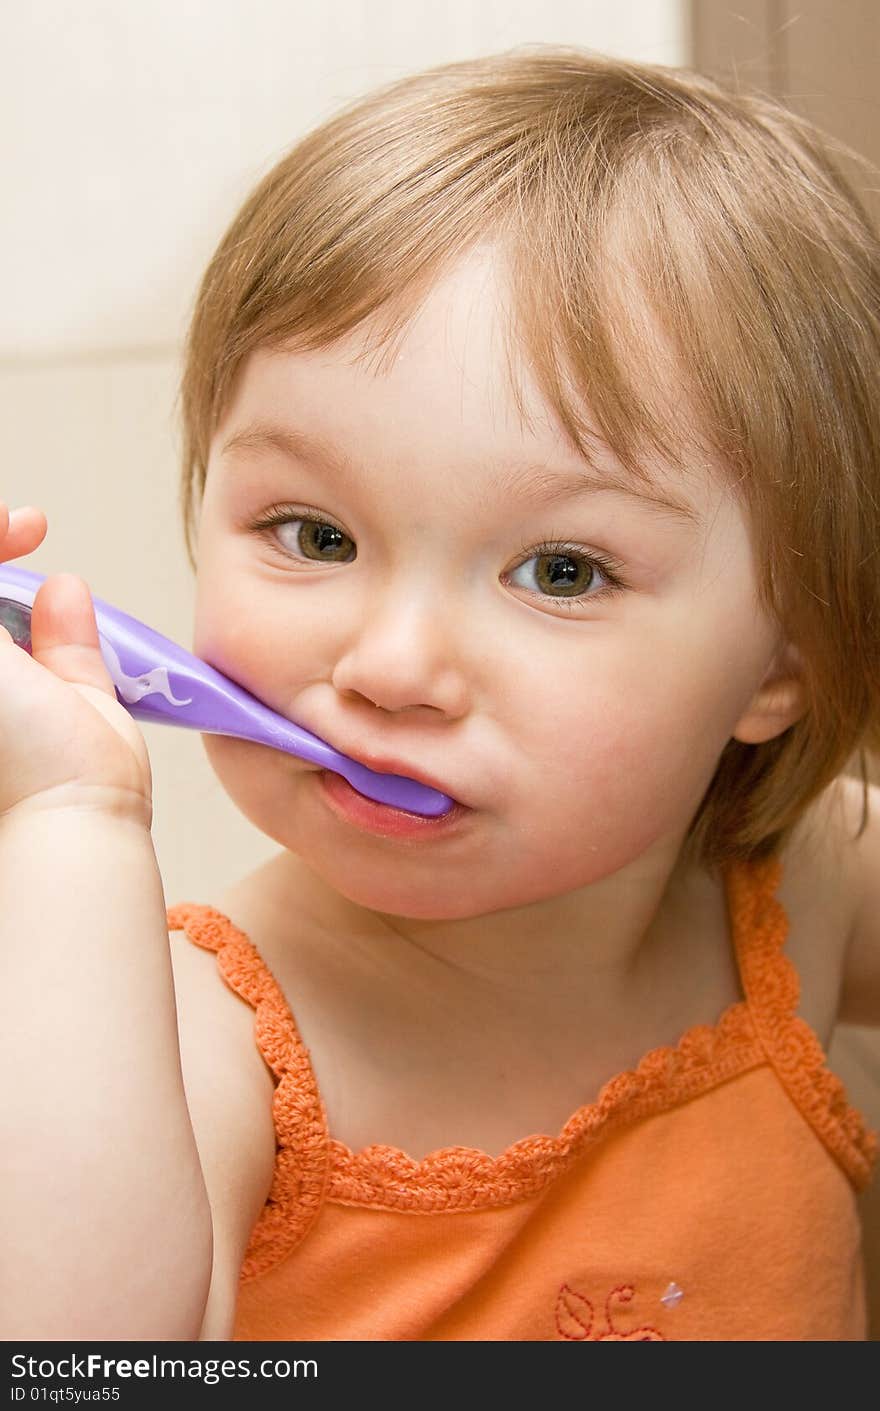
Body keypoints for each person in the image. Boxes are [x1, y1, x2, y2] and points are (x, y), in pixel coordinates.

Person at [2, 44, 879, 1343]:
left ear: (783, 662)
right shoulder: (206, 1031)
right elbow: (69, 1352)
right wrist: (66, 821)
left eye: (561, 569)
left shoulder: (800, 881)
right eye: (314, 535)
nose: (392, 667)